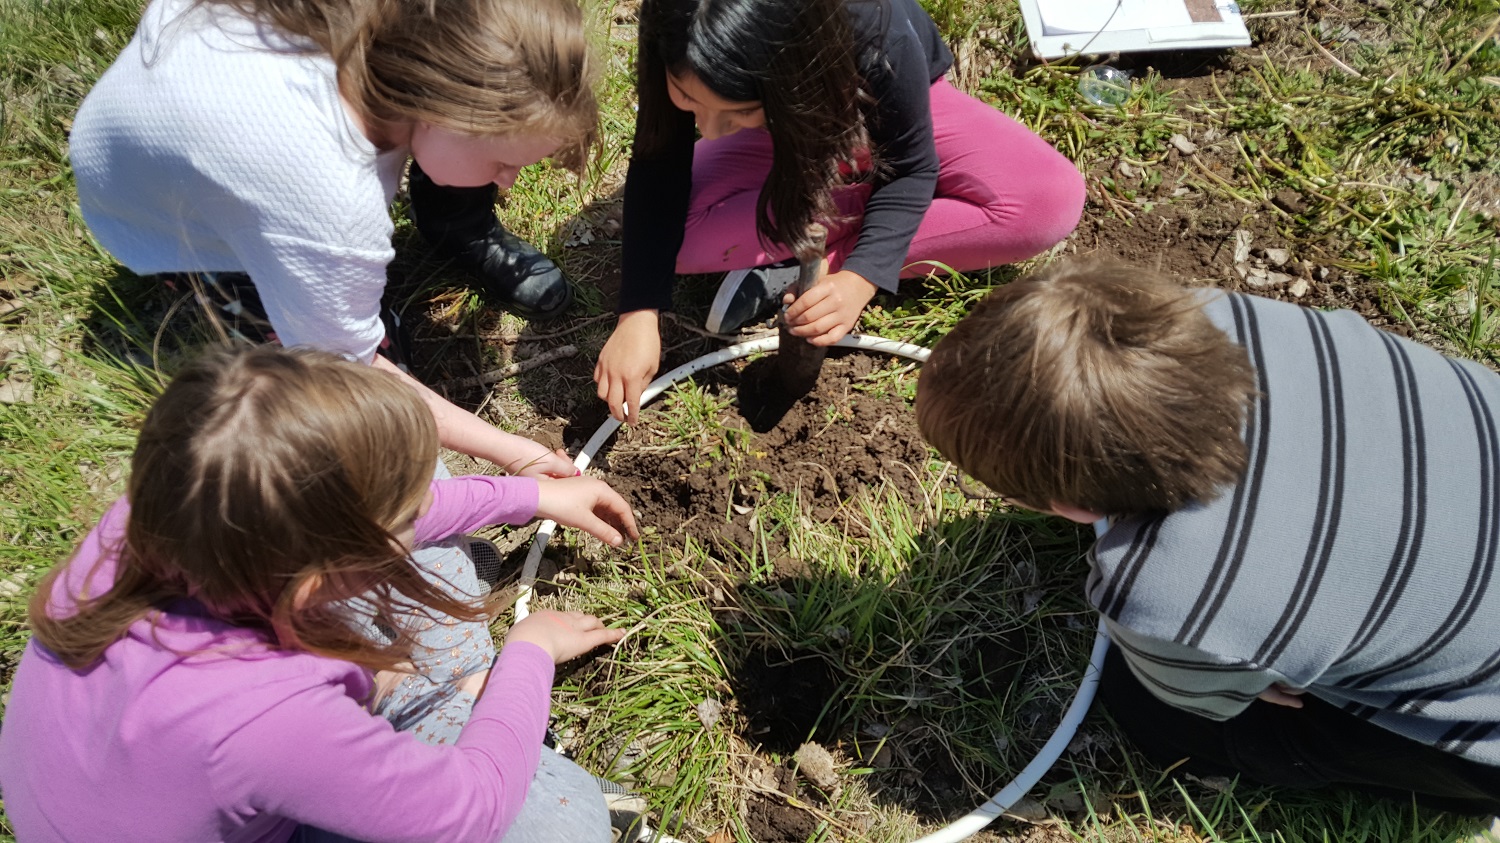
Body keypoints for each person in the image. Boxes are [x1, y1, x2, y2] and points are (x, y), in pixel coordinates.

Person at [915, 263, 1500, 814]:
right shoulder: (1224, 314)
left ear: (1072, 507)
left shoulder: (1172, 592)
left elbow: (1208, 698)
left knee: (1149, 709)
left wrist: (1222, 664)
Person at [0, 345, 641, 842]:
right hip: (261, 772)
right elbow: (468, 813)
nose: (415, 517)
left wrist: (525, 496)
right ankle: (450, 707)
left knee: (426, 472)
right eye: (398, 526)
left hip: (159, 781)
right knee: (563, 821)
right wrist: (528, 652)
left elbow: (352, 510)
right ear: (314, 580)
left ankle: (437, 691)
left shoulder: (171, 512)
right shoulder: (261, 722)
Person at [70, 0, 592, 478]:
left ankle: (454, 223)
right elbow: (351, 365)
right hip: (162, 219)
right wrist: (516, 453)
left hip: (174, 124)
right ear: (437, 107)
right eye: (502, 164)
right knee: (352, 395)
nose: (509, 183)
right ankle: (227, 289)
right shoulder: (330, 198)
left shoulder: (410, 24)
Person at [593, 0, 1086, 424]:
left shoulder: (872, 27)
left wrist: (861, 276)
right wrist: (638, 311)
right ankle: (832, 209)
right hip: (785, 129)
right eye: (688, 99)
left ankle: (830, 229)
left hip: (866, 108)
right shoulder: (681, 22)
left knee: (1048, 201)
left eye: (739, 112)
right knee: (674, 239)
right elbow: (660, 161)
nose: (713, 130)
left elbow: (912, 166)